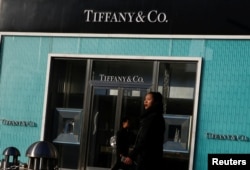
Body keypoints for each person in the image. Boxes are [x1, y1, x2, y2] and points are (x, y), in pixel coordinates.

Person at [123, 92, 165, 170]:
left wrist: (132, 155)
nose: (145, 101)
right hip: (154, 157)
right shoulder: (157, 117)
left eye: (149, 99)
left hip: (147, 158)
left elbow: (144, 139)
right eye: (145, 99)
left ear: (155, 102)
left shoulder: (152, 118)